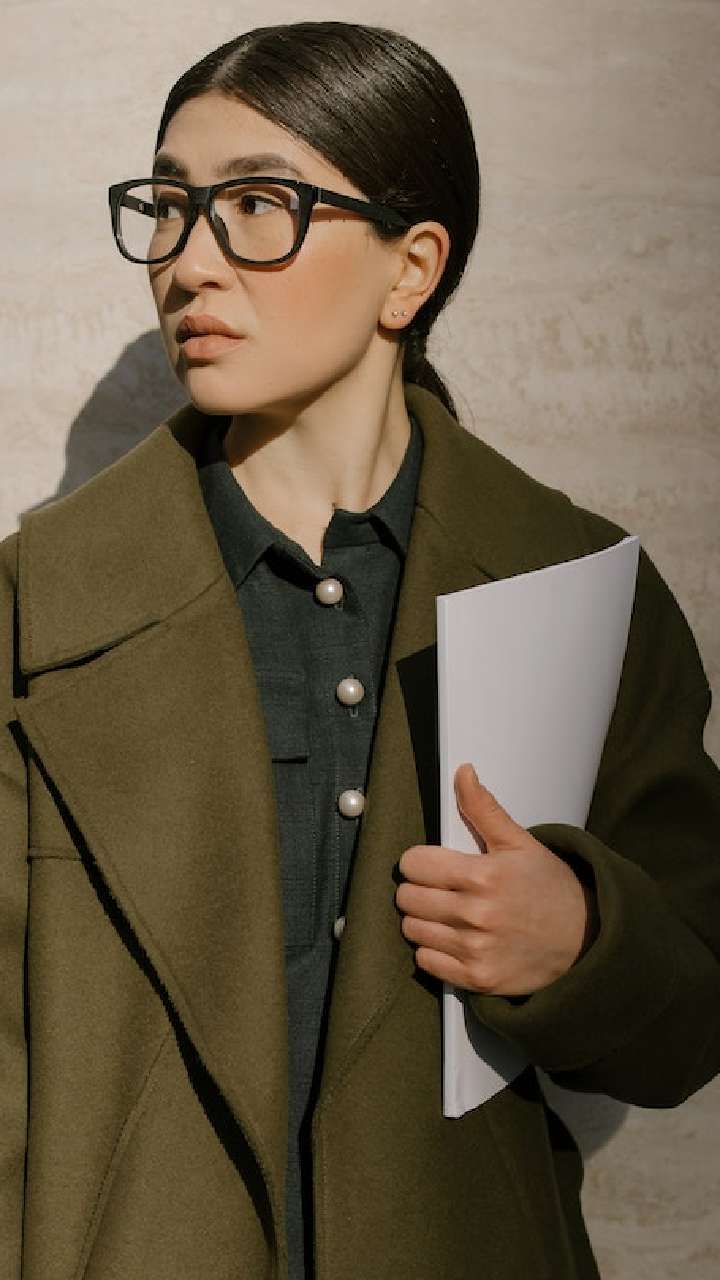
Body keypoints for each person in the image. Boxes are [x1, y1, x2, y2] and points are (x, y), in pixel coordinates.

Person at [1, 19, 719, 1280]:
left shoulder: (573, 586)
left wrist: (583, 939)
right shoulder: (33, 607)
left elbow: (691, 1021)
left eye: (256, 206)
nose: (189, 263)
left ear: (411, 268)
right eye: (167, 208)